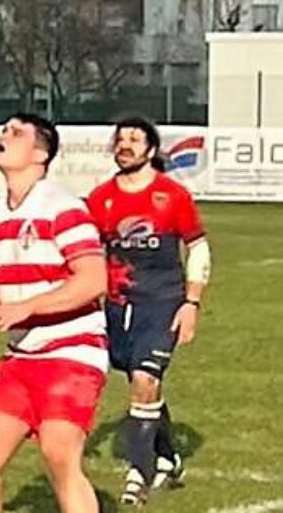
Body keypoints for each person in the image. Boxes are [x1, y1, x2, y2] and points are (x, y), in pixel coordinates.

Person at [0, 114, 108, 513]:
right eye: (3, 130)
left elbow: (93, 280)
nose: (3, 136)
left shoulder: (63, 207)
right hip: (22, 356)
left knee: (59, 455)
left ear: (41, 153)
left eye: (16, 132)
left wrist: (26, 307)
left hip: (73, 349)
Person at [86, 117, 211, 506]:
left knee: (144, 376)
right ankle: (168, 457)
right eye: (120, 139)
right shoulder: (99, 197)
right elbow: (87, 251)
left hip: (162, 303)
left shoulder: (172, 195)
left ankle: (137, 473)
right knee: (141, 382)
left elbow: (199, 247)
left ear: (151, 150)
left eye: (135, 139)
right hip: (116, 305)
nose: (125, 145)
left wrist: (191, 303)